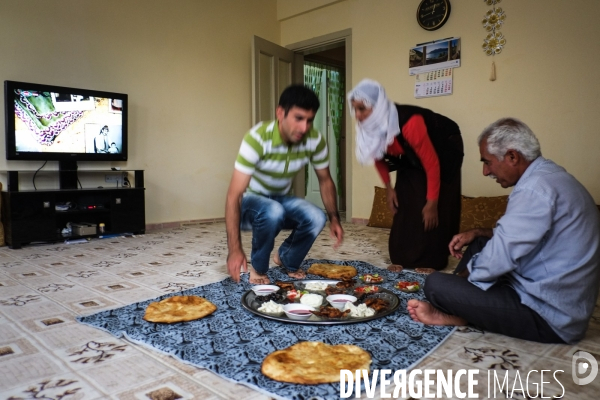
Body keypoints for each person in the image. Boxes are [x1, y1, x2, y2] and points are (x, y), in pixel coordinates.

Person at [407, 117, 600, 344]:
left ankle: (458, 311)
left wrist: (460, 283)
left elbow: (500, 256)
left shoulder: (534, 190)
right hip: (551, 294)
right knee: (480, 244)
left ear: (512, 156)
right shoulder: (550, 176)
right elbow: (529, 236)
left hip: (551, 318)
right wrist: (479, 232)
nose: (485, 171)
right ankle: (462, 307)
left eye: (487, 162)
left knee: (437, 285)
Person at [225, 84, 344, 285]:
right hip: (250, 204)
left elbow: (325, 180)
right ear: (280, 113)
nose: (304, 128)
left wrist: (334, 219)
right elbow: (233, 195)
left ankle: (287, 258)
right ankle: (259, 269)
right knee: (273, 210)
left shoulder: (314, 140)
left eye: (309, 120)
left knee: (316, 216)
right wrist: (234, 249)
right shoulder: (257, 138)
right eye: (298, 118)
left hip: (280, 200)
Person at [347, 79, 463, 271]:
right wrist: (389, 188)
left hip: (444, 144)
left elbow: (432, 163)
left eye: (362, 108)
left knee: (435, 203)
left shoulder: (410, 123)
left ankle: (432, 260)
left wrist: (433, 202)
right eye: (355, 109)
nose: (358, 115)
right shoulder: (370, 127)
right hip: (409, 152)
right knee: (405, 196)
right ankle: (403, 255)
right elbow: (377, 157)